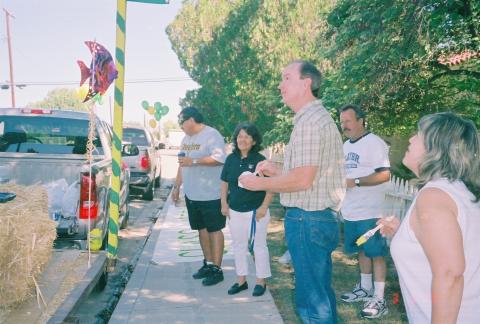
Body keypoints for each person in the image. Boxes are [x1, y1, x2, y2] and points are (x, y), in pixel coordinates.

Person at [240, 60, 346, 324]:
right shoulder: (313, 119)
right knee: (319, 295)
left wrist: (258, 183)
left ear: (306, 83)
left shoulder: (310, 122)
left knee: (312, 303)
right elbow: (309, 172)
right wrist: (277, 169)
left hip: (308, 219)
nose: (280, 85)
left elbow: (302, 180)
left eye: (286, 78)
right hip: (315, 218)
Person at [378, 112, 480, 324]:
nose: (411, 139)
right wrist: (402, 235)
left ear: (436, 147)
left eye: (419, 134)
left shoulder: (434, 197)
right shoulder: (458, 192)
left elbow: (451, 273)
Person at [338, 104, 391, 319]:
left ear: (361, 120)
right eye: (342, 122)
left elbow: (385, 174)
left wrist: (356, 182)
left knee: (376, 253)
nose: (344, 126)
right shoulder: (345, 146)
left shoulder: (374, 143)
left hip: (372, 212)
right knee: (361, 250)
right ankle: (365, 288)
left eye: (348, 121)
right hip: (352, 211)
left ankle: (379, 297)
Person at [172, 106, 227, 286]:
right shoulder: (185, 139)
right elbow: (182, 164)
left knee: (214, 230)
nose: (181, 126)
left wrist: (194, 161)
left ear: (191, 120)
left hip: (210, 194)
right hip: (192, 194)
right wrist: (176, 186)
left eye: (182, 121)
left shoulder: (212, 135)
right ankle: (208, 264)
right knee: (201, 230)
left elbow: (220, 159)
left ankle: (217, 270)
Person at [220, 122, 273, 297]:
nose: (242, 139)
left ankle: (261, 281)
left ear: (254, 140)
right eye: (240, 136)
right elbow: (224, 182)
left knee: (259, 246)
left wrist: (264, 207)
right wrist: (224, 204)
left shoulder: (260, 161)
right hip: (235, 210)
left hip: (256, 212)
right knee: (238, 246)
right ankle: (241, 280)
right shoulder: (231, 159)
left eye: (247, 136)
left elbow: (271, 185)